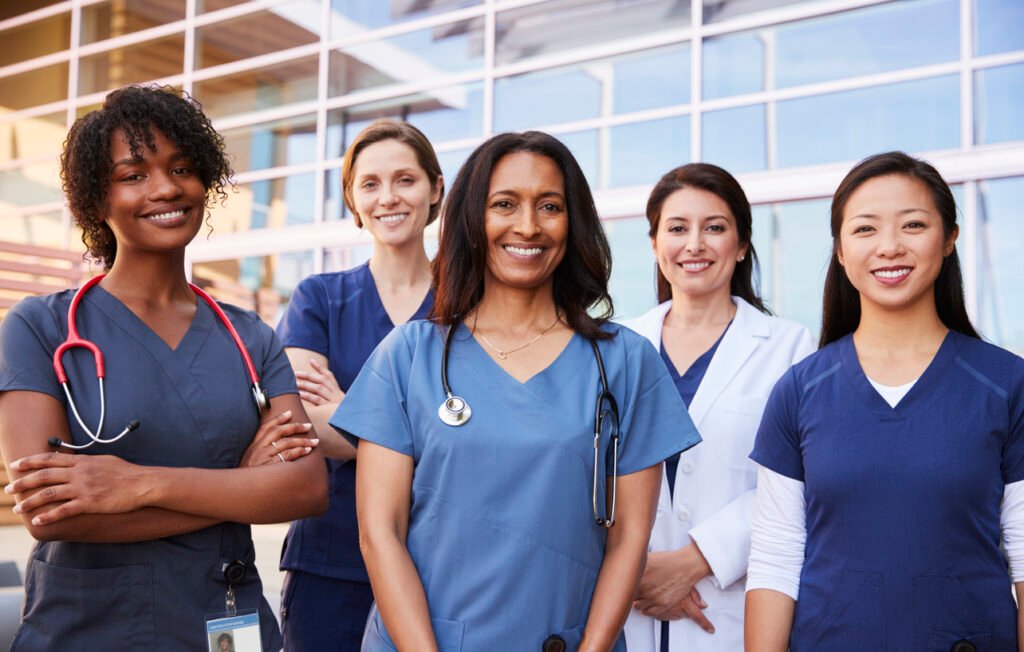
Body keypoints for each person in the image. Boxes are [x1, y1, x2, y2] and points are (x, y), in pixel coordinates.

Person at [330, 131, 702, 651]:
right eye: (504, 204)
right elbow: (380, 533)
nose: (527, 226)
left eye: (549, 206)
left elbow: (628, 539)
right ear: (471, 220)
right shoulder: (410, 356)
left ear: (572, 222)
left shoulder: (624, 360)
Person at [0, 85, 328, 651]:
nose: (166, 188)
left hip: (226, 621)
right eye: (134, 175)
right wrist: (241, 487)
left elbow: (304, 488)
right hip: (89, 629)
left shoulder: (249, 335)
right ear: (96, 199)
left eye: (181, 168)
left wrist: (133, 484)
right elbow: (50, 513)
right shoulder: (40, 327)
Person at [745, 151, 1024, 650]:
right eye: (865, 229)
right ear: (840, 250)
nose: (890, 247)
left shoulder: (1006, 384)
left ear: (949, 239)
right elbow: (776, 557)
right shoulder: (799, 390)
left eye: (913, 225)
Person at [621, 163, 813, 652]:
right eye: (677, 228)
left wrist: (694, 560)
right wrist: (636, 572)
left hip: (728, 611)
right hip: (625, 608)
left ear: (742, 244)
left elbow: (799, 482)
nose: (695, 245)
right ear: (653, 243)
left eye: (715, 228)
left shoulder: (789, 347)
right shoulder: (614, 347)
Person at [275, 119, 443, 649]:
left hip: (442, 564)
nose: (388, 197)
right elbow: (299, 426)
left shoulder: (470, 308)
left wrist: (350, 412)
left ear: (435, 189)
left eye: (405, 180)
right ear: (351, 197)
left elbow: (482, 439)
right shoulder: (318, 299)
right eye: (369, 184)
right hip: (331, 564)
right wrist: (420, 428)